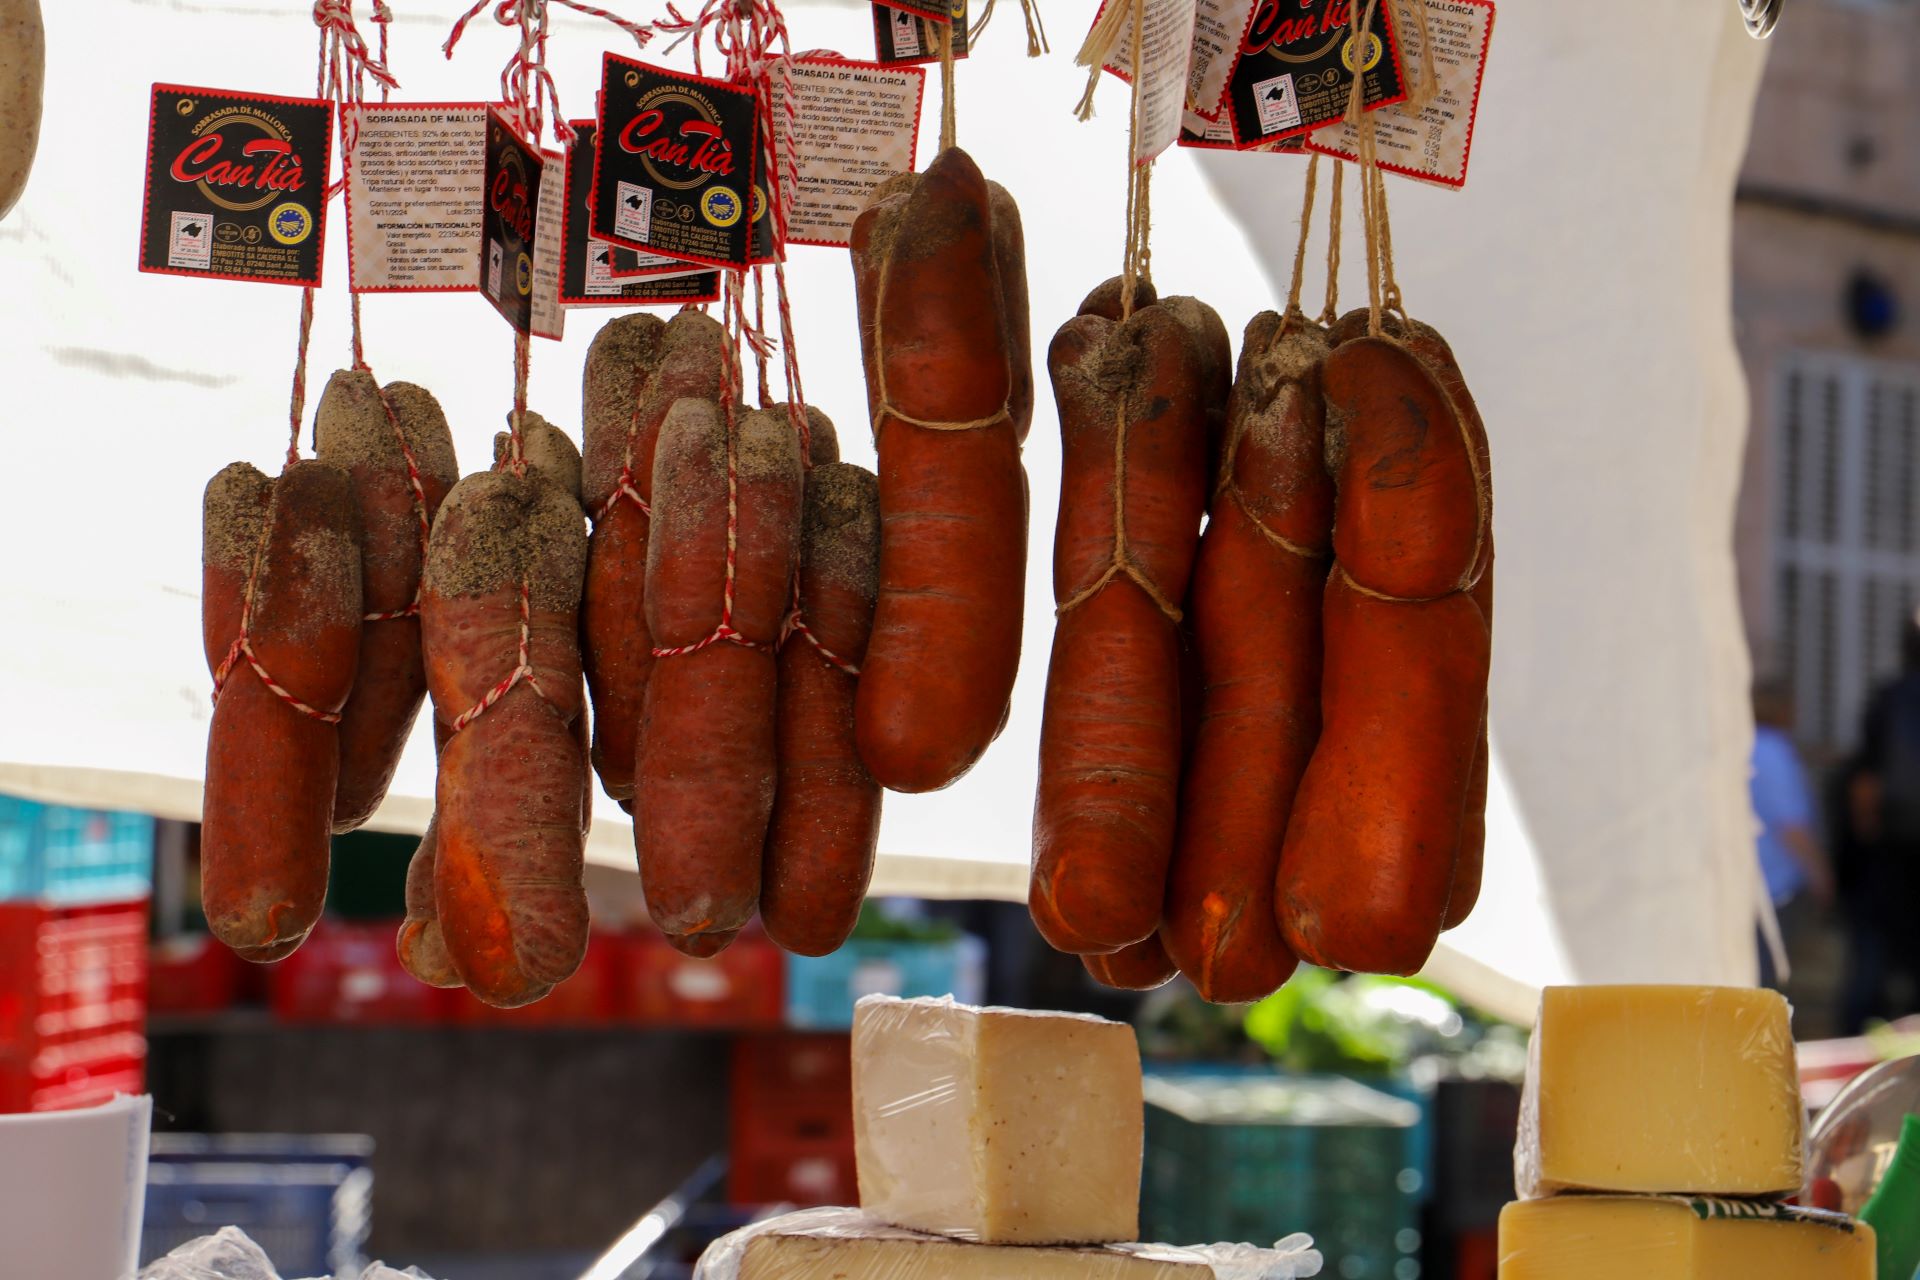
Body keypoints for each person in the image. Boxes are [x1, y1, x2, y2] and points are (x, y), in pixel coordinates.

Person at [1842, 615, 1920, 1030]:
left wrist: (1868, 840)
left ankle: (1860, 1041)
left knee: (1874, 960)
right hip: (1896, 852)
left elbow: (1866, 785)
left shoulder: (1889, 698)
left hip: (1890, 852)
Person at [1750, 679, 1834, 989]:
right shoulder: (1774, 751)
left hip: (1747, 882)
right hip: (1776, 887)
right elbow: (1792, 825)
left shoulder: (1740, 745)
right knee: (1765, 979)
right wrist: (1820, 875)